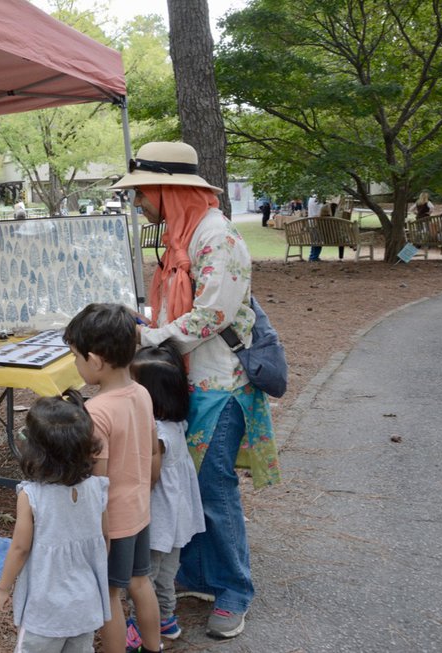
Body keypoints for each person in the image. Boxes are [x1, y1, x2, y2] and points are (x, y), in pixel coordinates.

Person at [111, 142, 280, 639]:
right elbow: (186, 308)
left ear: (168, 189)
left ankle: (233, 591)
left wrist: (152, 336)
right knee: (189, 484)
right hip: (191, 380)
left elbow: (213, 313)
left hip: (221, 384)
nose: (138, 201)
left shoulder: (217, 237)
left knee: (214, 488)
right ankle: (200, 574)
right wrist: (151, 323)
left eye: (142, 192)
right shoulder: (184, 236)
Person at [63, 304, 163, 653]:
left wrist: (99, 531)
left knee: (109, 596)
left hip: (113, 523)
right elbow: (153, 452)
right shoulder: (142, 393)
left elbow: (97, 485)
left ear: (95, 360)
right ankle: (154, 647)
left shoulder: (96, 412)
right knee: (140, 582)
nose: (75, 364)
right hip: (139, 512)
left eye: (75, 357)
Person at [0, 394, 111, 653]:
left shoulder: (31, 496)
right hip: (85, 603)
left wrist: (3, 587)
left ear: (35, 451)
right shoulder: (97, 488)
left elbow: (20, 548)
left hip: (44, 610)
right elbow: (104, 537)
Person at [129, 341, 205, 645]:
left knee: (144, 576)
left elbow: (150, 476)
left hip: (158, 516)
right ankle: (167, 619)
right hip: (177, 515)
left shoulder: (156, 434)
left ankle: (143, 629)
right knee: (166, 572)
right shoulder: (176, 423)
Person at [307, 195, 324, 261]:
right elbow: (320, 213)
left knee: (315, 240)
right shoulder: (318, 201)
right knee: (318, 241)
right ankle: (314, 257)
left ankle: (312, 256)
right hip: (317, 223)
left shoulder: (310, 199)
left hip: (311, 223)